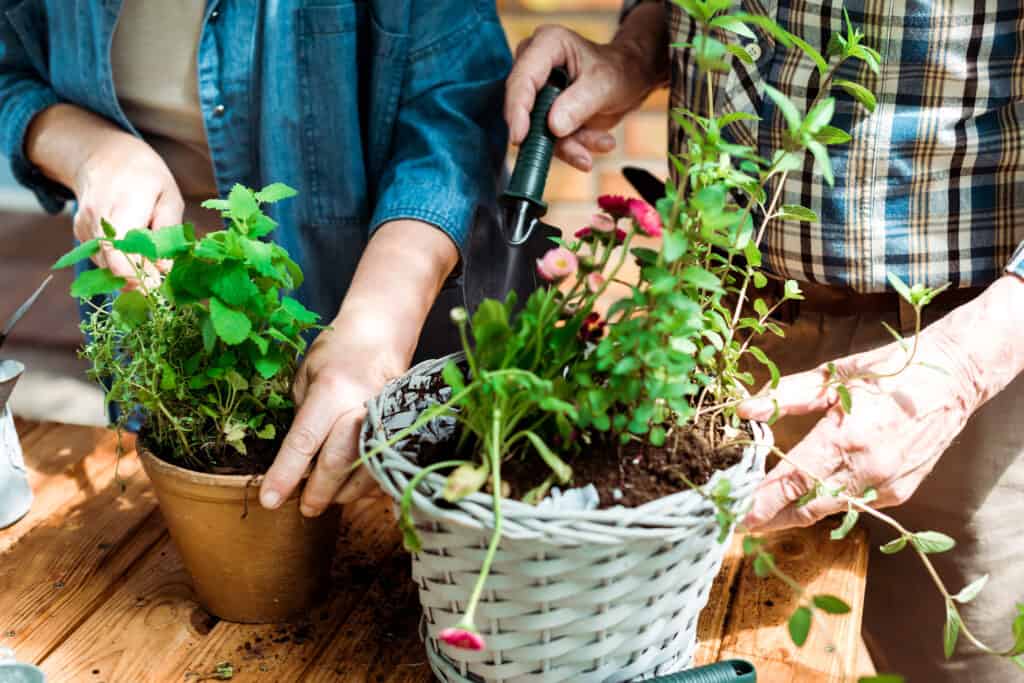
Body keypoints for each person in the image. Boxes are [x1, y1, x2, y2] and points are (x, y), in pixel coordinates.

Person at [506, 1, 1024, 680]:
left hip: (956, 358)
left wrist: (959, 368)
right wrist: (634, 50)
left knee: (967, 665)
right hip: (717, 334)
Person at [0, 1, 510, 517]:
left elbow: (457, 114)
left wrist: (377, 328)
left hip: (379, 326)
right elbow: (9, 67)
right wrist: (87, 150)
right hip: (159, 333)